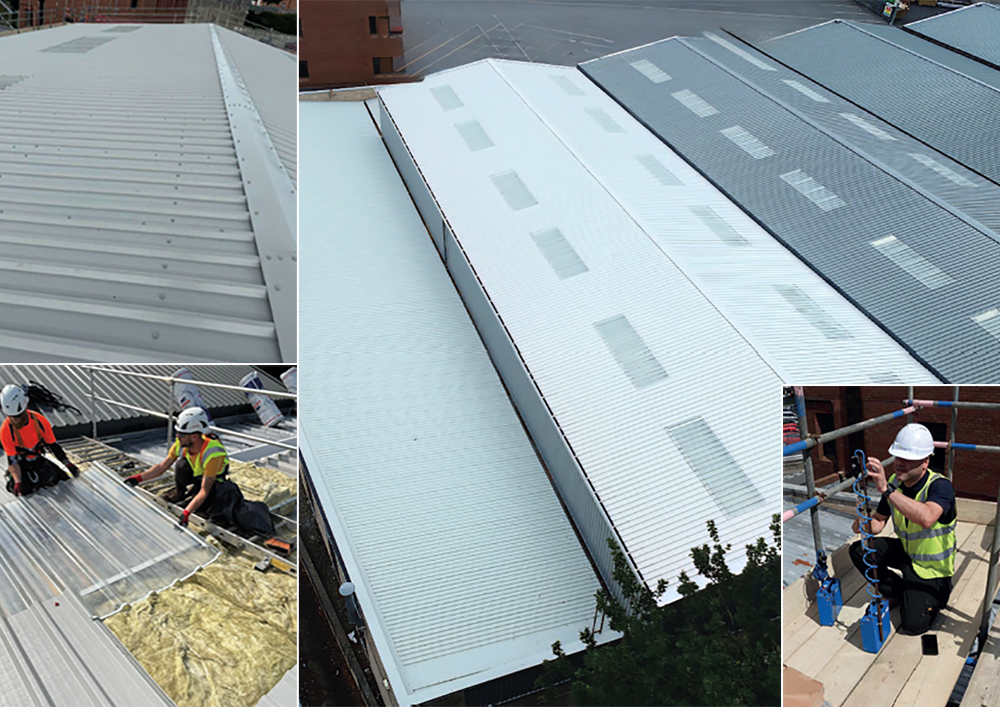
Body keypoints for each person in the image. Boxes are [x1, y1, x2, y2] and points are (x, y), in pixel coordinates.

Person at [849, 423, 957, 635]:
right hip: (908, 553)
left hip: (932, 569)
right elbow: (880, 521)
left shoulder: (940, 486)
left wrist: (885, 489)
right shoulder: (894, 483)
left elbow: (926, 518)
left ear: (925, 462)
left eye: (908, 459)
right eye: (898, 457)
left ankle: (937, 595)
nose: (900, 463)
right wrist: (864, 523)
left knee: (913, 626)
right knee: (859, 551)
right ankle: (898, 590)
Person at [124, 407, 274, 536]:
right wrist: (137, 478)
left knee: (207, 506)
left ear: (195, 436)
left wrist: (186, 513)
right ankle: (179, 492)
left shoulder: (213, 453)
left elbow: (204, 490)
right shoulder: (182, 444)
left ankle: (192, 501)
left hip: (213, 483)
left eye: (182, 434)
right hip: (198, 476)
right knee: (181, 464)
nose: (177, 437)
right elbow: (162, 467)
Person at [1, 384, 81, 496]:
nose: (15, 419)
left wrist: (68, 464)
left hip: (38, 460)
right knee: (24, 489)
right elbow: (13, 460)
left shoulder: (39, 421)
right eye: (11, 416)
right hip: (22, 464)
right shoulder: (6, 430)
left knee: (63, 479)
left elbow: (53, 445)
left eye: (18, 415)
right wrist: (18, 482)